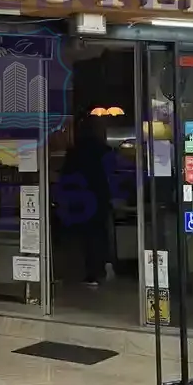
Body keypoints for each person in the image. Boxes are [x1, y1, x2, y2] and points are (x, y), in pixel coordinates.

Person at [61, 113, 113, 287]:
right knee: (99, 232)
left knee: (84, 235)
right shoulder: (104, 150)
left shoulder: (75, 152)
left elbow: (66, 175)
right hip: (99, 196)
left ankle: (87, 271)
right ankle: (101, 267)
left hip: (81, 198)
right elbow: (112, 174)